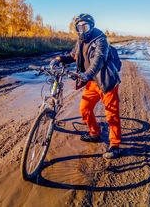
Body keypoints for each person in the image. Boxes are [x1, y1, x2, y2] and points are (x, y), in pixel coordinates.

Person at [50, 13, 122, 159]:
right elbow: (73, 55)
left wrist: (87, 74)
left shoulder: (100, 39)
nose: (82, 30)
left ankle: (115, 146)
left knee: (112, 115)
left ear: (92, 26)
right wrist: (59, 58)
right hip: (92, 82)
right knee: (84, 109)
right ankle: (95, 133)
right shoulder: (81, 40)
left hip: (106, 82)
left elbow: (99, 58)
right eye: (79, 27)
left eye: (85, 26)